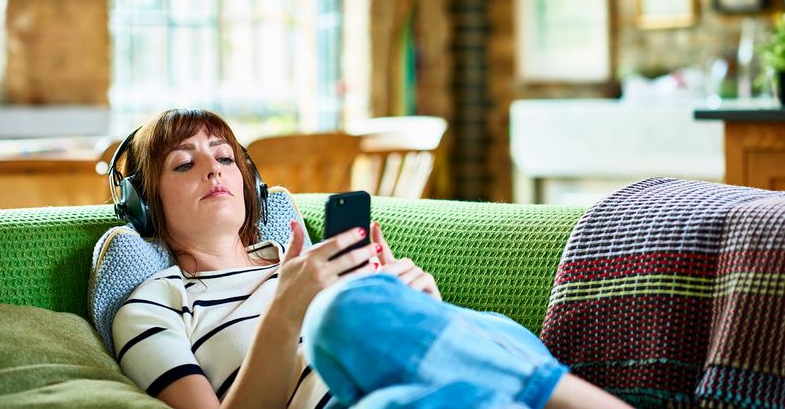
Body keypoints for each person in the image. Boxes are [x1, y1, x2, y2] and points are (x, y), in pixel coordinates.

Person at [110, 108, 631, 409]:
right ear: (143, 203)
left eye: (225, 157)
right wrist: (288, 310)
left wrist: (416, 307)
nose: (214, 168)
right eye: (184, 163)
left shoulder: (309, 260)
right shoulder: (153, 304)